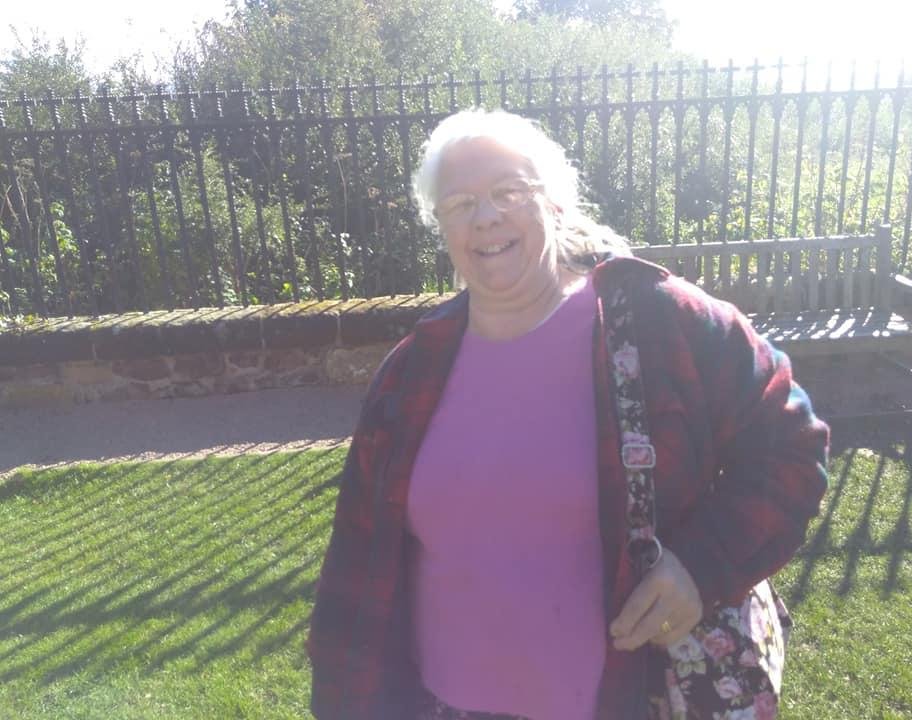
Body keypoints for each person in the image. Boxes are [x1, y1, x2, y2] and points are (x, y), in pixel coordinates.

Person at [306, 109, 829, 720]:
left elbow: (790, 444)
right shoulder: (412, 371)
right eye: (460, 204)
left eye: (508, 192)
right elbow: (358, 554)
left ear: (554, 203)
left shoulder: (661, 322)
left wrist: (701, 566)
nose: (485, 217)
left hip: (632, 700)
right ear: (441, 227)